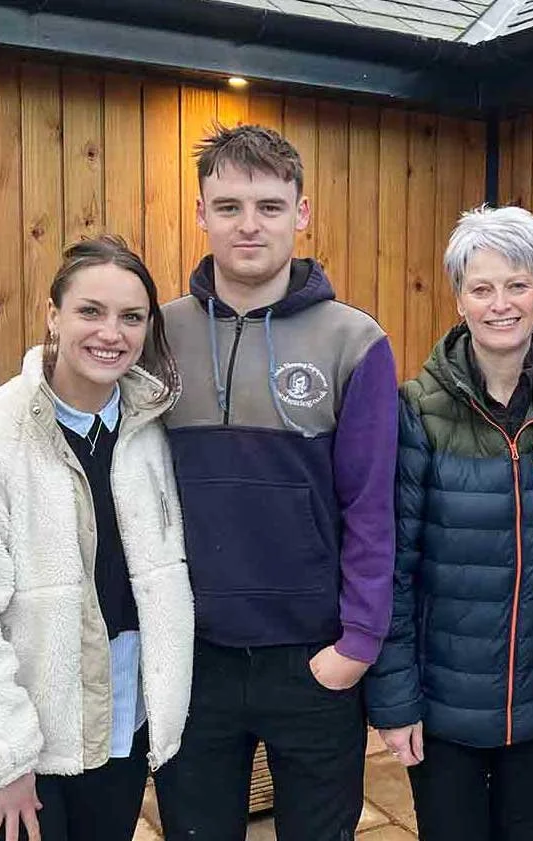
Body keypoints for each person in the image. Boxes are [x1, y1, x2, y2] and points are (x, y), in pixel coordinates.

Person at [0, 235, 194, 841]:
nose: (111, 333)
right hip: (22, 748)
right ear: (53, 315)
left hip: (120, 726)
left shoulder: (153, 437)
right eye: (91, 311)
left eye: (131, 317)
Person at [152, 124, 398, 841]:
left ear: (303, 211)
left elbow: (372, 507)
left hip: (313, 659)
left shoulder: (354, 341)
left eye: (268, 204)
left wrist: (356, 645)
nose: (248, 224)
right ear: (200, 214)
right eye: (227, 206)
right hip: (194, 661)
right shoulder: (156, 335)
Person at [367, 206, 533, 841]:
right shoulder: (417, 409)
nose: (502, 304)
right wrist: (395, 700)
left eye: (518, 285)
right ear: (459, 299)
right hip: (444, 708)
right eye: (482, 287)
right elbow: (394, 567)